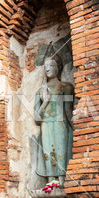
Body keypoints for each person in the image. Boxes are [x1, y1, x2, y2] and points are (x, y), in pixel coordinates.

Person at [34, 57, 73, 188]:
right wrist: (45, 101)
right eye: (45, 66)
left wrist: (74, 128)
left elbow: (68, 111)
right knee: (48, 154)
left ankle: (62, 182)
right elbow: (37, 118)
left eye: (51, 65)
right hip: (45, 124)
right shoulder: (40, 90)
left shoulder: (66, 87)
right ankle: (51, 183)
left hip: (60, 123)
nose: (48, 68)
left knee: (60, 152)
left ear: (58, 67)